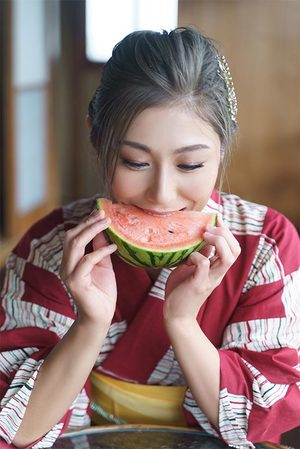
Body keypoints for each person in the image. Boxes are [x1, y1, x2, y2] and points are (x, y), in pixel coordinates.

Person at [0, 27, 299, 449]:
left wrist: (182, 323)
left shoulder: (266, 243)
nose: (161, 195)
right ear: (96, 136)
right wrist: (90, 325)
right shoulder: (48, 248)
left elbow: (261, 423)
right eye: (134, 161)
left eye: (190, 165)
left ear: (223, 146)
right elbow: (16, 429)